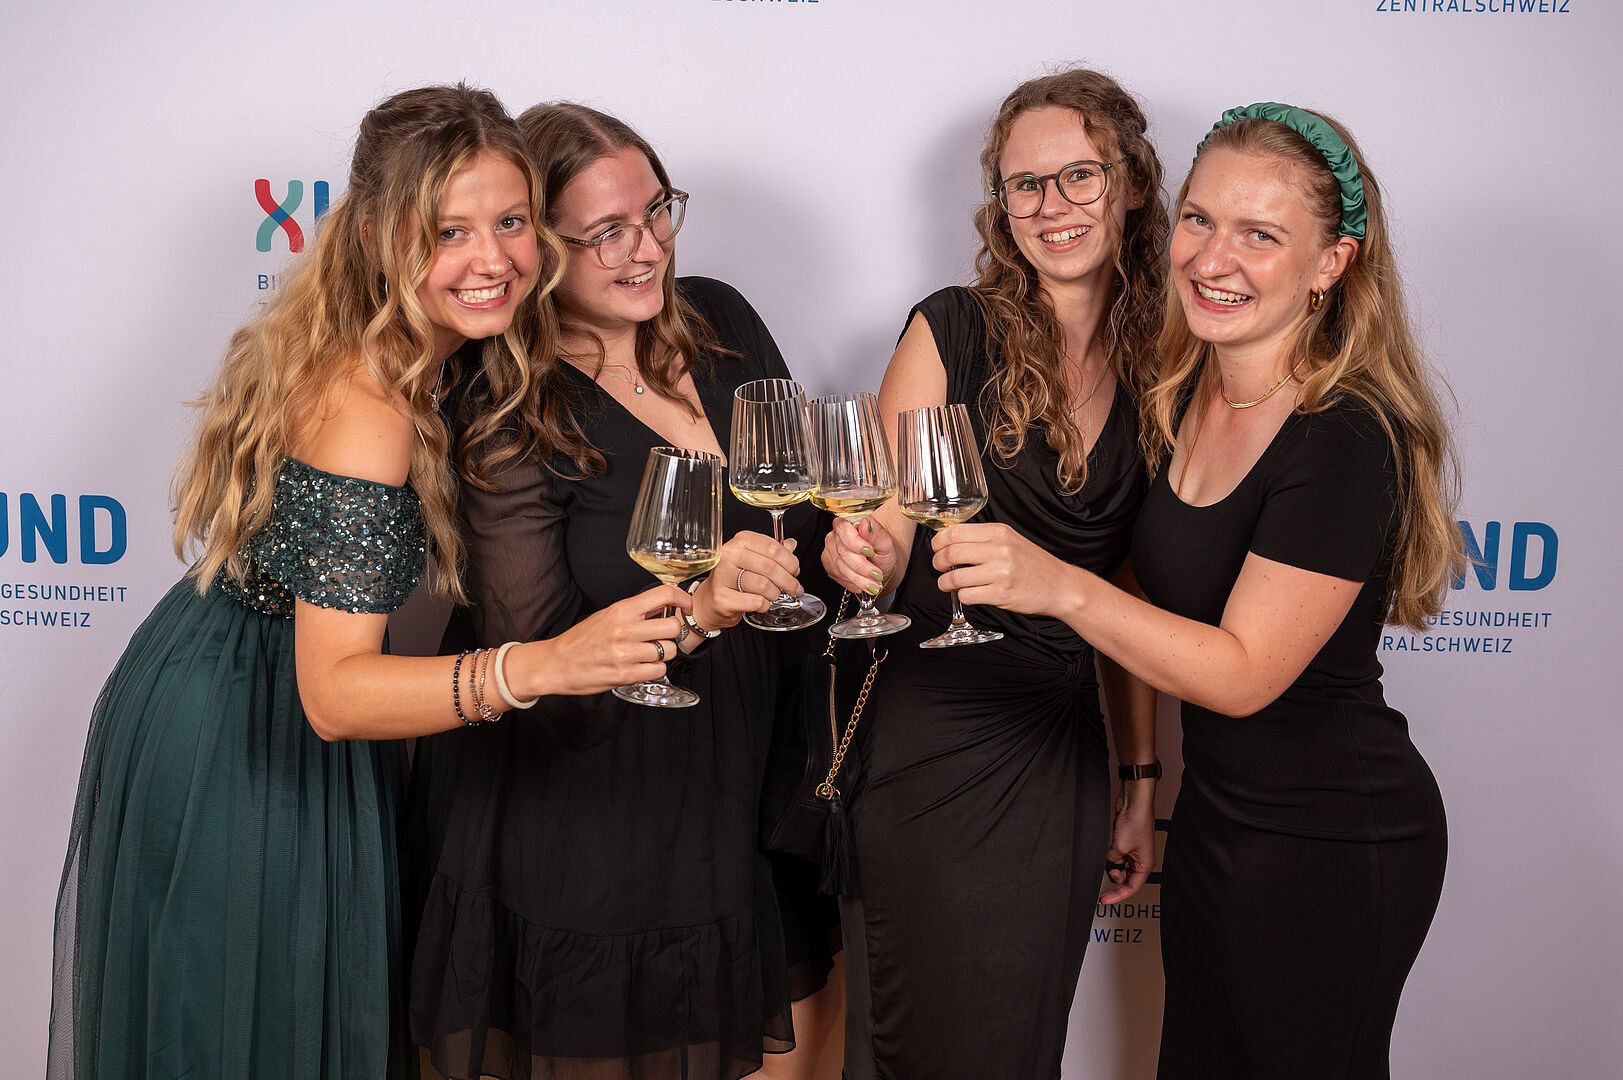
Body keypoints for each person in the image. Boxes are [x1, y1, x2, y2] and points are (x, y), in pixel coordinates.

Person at [46, 84, 689, 1080]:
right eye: (450, 231)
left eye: (511, 221)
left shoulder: (418, 346)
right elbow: (336, 696)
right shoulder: (366, 403)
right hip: (250, 726)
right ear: (383, 236)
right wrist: (549, 664)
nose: (493, 259)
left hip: (254, 685)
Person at [933, 103, 1463, 1079]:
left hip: (1329, 840)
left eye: (1260, 235)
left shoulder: (1344, 435)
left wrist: (1058, 587)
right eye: (1199, 220)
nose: (1213, 259)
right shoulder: (1186, 388)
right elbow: (1147, 585)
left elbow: (1242, 674)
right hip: (1220, 821)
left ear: (1331, 263)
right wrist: (1142, 785)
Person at [402, 103, 836, 1080]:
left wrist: (852, 547)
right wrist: (703, 610)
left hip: (748, 786)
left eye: (656, 212)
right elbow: (544, 666)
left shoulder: (723, 321)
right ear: (539, 250)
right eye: (605, 232)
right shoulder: (510, 407)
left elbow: (795, 511)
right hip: (596, 825)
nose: (646, 249)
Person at [818, 69, 1166, 1080]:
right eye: (1025, 185)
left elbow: (1129, 601)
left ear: (1132, 183)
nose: (1052, 205)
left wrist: (1136, 781)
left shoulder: (1171, 358)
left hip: (1060, 743)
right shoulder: (951, 329)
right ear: (1000, 204)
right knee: (918, 1042)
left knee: (1018, 1043)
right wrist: (858, 554)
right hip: (932, 733)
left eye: (1079, 176)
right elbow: (884, 537)